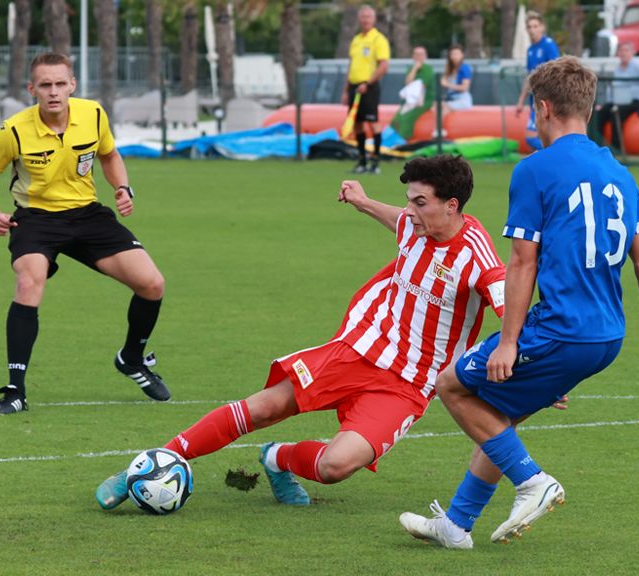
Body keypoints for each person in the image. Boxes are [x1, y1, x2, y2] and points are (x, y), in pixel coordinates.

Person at [95, 155, 507, 510]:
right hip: (357, 349)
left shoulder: (478, 257)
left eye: (420, 202)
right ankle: (148, 466)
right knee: (263, 408)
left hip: (408, 384)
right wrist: (362, 202)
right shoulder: (417, 226)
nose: (410, 211)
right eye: (409, 201)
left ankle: (277, 459)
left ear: (451, 206)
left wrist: (532, 363)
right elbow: (398, 220)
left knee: (336, 467)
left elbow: (513, 311)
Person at [399, 56, 639, 549]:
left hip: (561, 327)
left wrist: (509, 343)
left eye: (532, 110)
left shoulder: (535, 170)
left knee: (454, 386)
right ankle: (457, 525)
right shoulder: (618, 172)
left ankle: (533, 482)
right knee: (498, 416)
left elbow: (522, 263)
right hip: (608, 335)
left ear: (543, 108)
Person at [0, 53, 170, 415]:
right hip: (36, 219)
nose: (53, 92)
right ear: (32, 89)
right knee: (29, 282)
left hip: (88, 216)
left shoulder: (93, 114)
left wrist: (123, 188)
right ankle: (15, 391)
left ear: (72, 85)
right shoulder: (14, 130)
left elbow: (110, 155)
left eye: (60, 84)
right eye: (45, 85)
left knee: (152, 284)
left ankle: (131, 358)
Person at [343, 5, 390, 175]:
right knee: (357, 125)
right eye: (362, 16)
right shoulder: (356, 39)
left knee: (373, 122)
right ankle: (362, 161)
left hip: (369, 87)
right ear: (358, 19)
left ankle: (375, 162)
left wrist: (368, 84)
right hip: (355, 87)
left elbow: (384, 65)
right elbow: (351, 65)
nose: (365, 19)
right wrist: (346, 89)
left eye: (368, 16)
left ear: (374, 19)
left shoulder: (378, 39)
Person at [593, 42, 639, 152]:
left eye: (626, 50)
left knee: (616, 114)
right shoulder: (617, 69)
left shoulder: (637, 65)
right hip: (619, 100)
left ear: (632, 52)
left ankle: (616, 148)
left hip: (636, 101)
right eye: (621, 50)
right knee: (600, 114)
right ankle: (597, 145)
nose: (623, 53)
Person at [515, 11, 560, 152]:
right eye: (529, 27)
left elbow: (557, 70)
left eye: (535, 26)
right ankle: (552, 157)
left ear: (542, 27)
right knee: (539, 140)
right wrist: (521, 101)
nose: (532, 30)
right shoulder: (530, 50)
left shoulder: (548, 44)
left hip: (546, 100)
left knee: (531, 137)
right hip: (534, 100)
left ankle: (557, 154)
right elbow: (530, 77)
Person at [390, 45, 434, 140]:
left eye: (421, 54)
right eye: (416, 54)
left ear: (425, 56)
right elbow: (408, 83)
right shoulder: (410, 69)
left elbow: (421, 87)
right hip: (411, 101)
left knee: (408, 117)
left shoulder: (428, 69)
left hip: (423, 101)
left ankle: (403, 140)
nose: (418, 57)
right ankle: (391, 139)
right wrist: (414, 69)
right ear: (413, 56)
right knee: (396, 118)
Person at [441, 46, 473, 116]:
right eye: (452, 54)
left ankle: (439, 126)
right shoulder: (449, 68)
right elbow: (443, 81)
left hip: (462, 100)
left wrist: (448, 84)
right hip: (451, 99)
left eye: (456, 54)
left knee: (444, 108)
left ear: (462, 55)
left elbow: (464, 88)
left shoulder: (465, 68)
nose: (454, 56)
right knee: (435, 105)